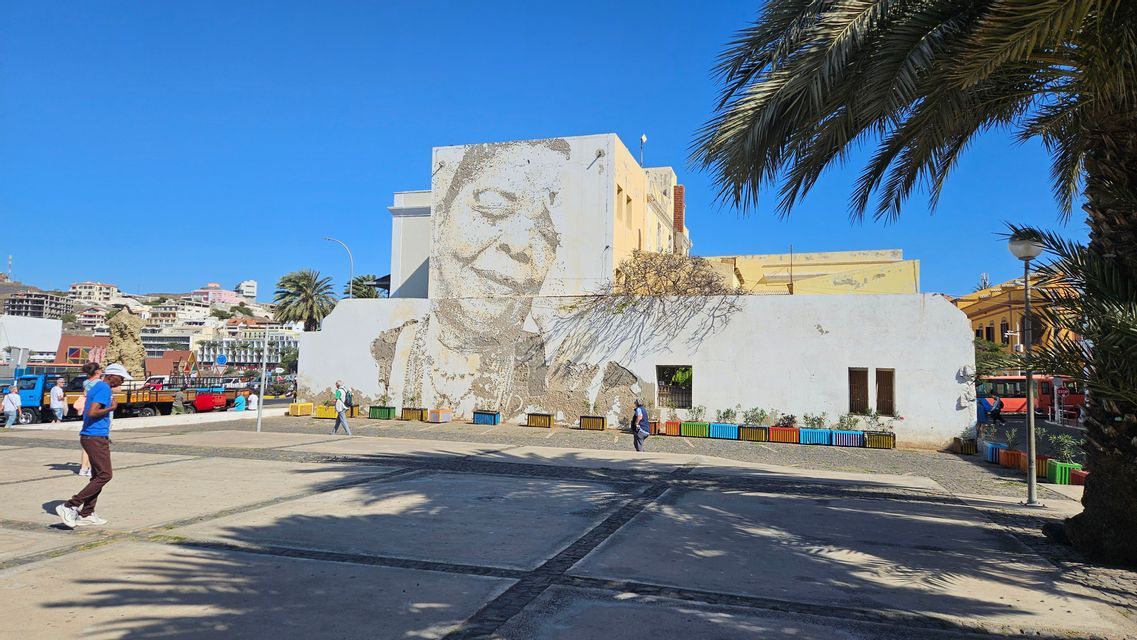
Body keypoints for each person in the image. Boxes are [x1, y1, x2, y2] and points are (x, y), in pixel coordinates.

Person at [55, 362, 131, 528]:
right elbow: (92, 412)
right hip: (94, 436)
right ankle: (69, 505)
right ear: (111, 376)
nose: (123, 382)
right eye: (121, 378)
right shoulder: (104, 388)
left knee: (98, 476)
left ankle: (87, 513)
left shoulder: (97, 386)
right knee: (105, 475)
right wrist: (111, 408)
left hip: (94, 435)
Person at [76, 362, 102, 477]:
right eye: (100, 369)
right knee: (97, 443)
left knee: (87, 442)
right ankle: (92, 469)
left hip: (87, 411)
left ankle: (83, 468)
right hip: (97, 412)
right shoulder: (100, 383)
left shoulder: (85, 383)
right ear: (96, 371)